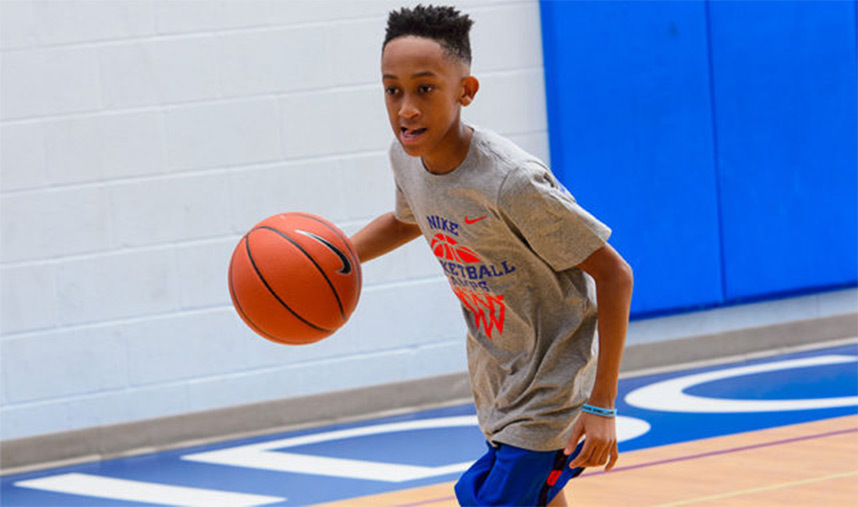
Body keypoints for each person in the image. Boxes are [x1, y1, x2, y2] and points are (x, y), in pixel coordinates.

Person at [350, 5, 634, 506]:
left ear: (466, 91)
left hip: (550, 386)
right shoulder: (406, 160)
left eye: (425, 88)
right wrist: (336, 258)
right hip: (498, 377)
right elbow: (405, 220)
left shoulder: (510, 182)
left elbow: (615, 275)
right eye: (392, 90)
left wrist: (603, 404)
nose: (406, 109)